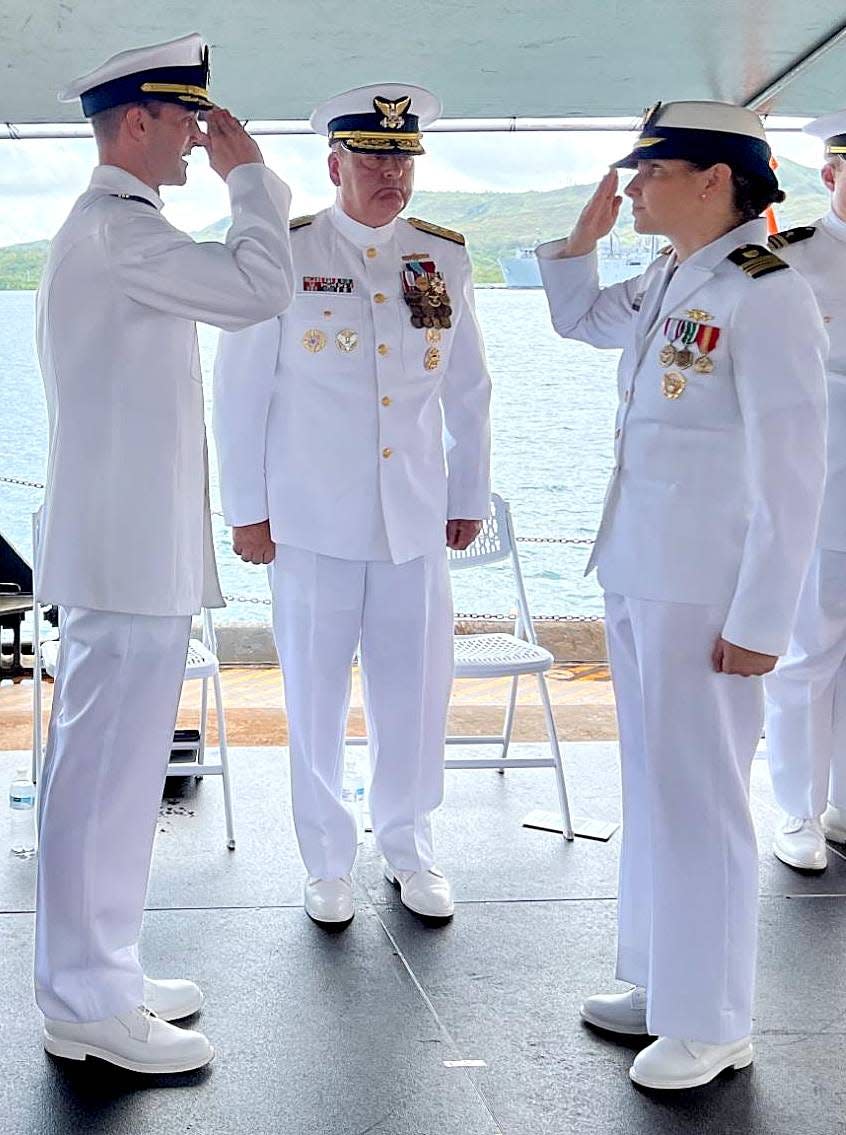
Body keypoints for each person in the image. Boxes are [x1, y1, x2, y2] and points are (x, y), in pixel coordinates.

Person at [537, 101, 827, 1090]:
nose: (635, 188)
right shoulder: (674, 274)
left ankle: (713, 1021)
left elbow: (794, 475)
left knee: (702, 797)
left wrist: (761, 620)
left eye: (652, 170)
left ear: (716, 179)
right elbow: (578, 318)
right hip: (640, 570)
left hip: (708, 591)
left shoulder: (765, 288)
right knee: (656, 788)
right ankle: (663, 978)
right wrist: (580, 238)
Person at [35, 33, 295, 1073]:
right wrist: (255, 184)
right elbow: (259, 288)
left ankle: (104, 969)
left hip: (131, 551)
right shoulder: (115, 231)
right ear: (134, 122)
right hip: (122, 556)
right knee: (103, 777)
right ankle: (85, 1000)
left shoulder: (120, 229)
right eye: (186, 118)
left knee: (119, 773)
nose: (200, 134)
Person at [213, 83, 491, 928]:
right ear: (334, 164)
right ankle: (327, 858)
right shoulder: (287, 253)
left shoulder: (440, 257)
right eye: (373, 158)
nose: (391, 176)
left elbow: (470, 387)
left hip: (413, 517)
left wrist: (467, 489)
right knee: (316, 694)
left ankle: (409, 844)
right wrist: (246, 511)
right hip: (310, 521)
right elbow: (240, 392)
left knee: (415, 691)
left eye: (403, 159)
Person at [764, 110, 846, 871]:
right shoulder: (790, 259)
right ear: (830, 175)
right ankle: (798, 809)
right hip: (821, 491)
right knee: (805, 654)